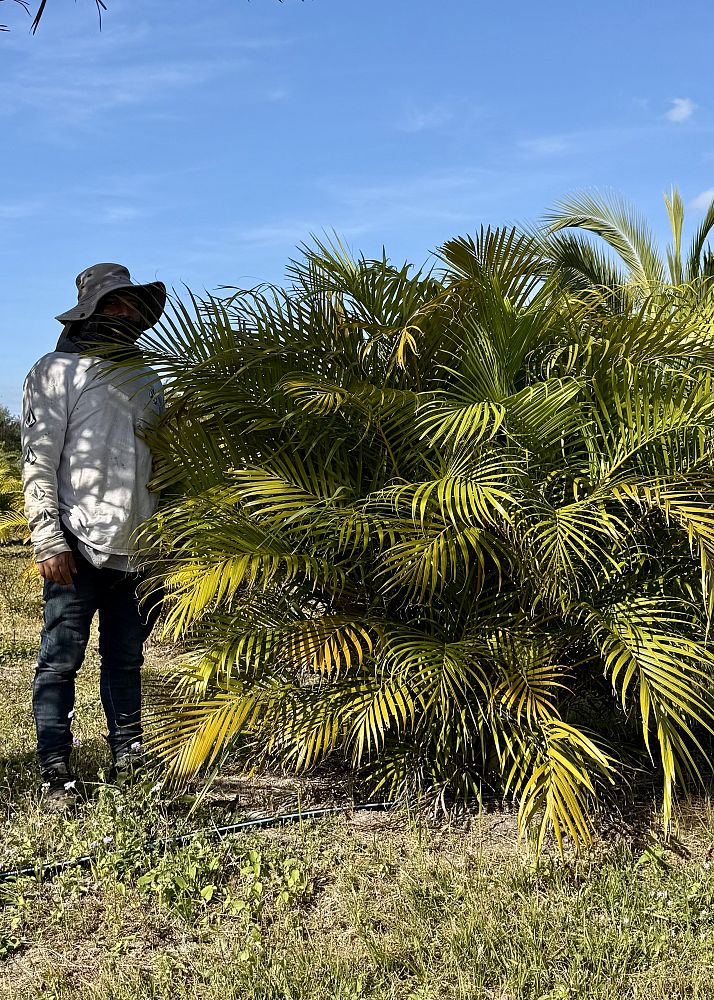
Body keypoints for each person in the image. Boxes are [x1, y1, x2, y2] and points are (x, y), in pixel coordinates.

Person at [21, 264, 166, 811]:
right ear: (92, 311)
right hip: (76, 544)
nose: (126, 316)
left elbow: (160, 459)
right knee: (60, 661)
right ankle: (55, 766)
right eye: (116, 305)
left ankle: (128, 755)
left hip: (139, 545)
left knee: (125, 660)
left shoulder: (146, 376)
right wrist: (48, 540)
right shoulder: (55, 371)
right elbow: (38, 460)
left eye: (132, 308)